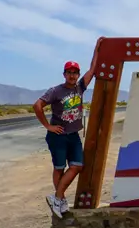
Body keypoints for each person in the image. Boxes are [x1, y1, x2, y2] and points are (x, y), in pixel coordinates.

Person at [33, 38, 102, 218]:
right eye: (69, 72)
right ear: (64, 74)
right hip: (58, 136)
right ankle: (60, 200)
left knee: (77, 165)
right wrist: (48, 126)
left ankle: (57, 197)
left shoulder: (80, 88)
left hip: (73, 135)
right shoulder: (55, 91)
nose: (72, 75)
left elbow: (93, 70)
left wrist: (96, 49)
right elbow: (37, 105)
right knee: (59, 168)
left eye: (75, 72)